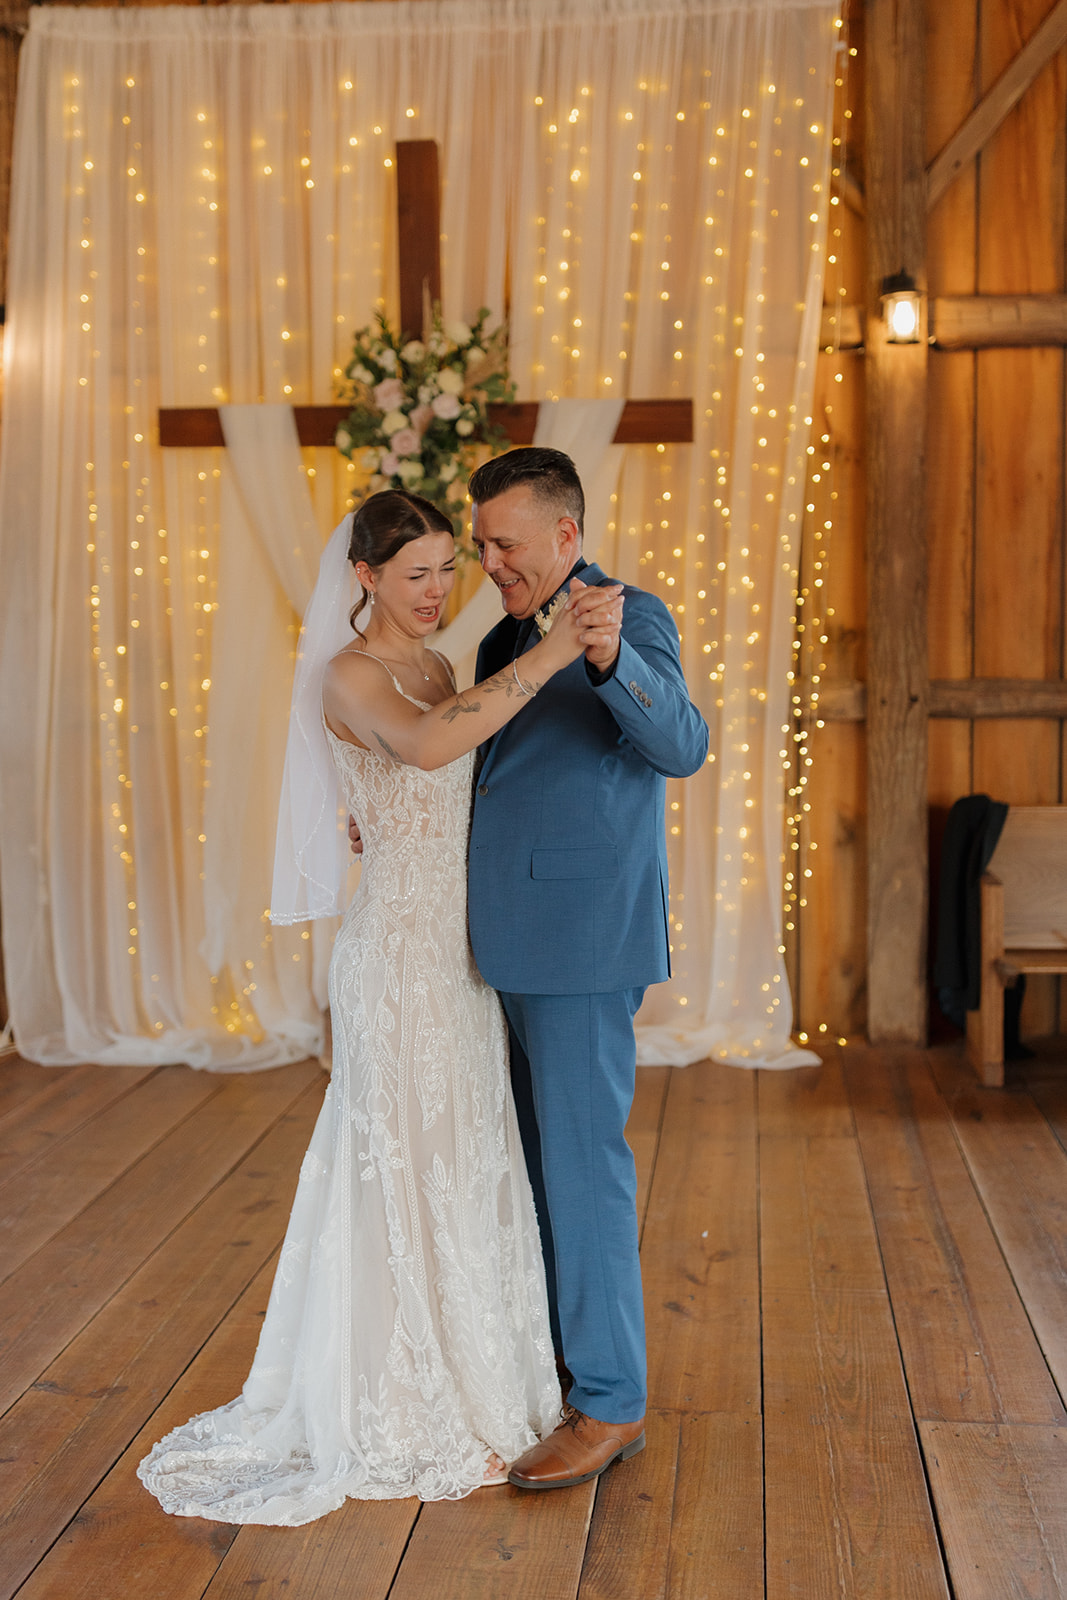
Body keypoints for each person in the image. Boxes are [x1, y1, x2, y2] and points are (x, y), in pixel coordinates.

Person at [138, 489, 624, 1524]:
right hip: (395, 960)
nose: (437, 590)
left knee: (468, 1158)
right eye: (416, 574)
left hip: (462, 956)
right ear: (363, 577)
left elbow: (452, 782)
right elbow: (422, 751)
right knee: (402, 1166)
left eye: (449, 569)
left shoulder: (439, 664)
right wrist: (540, 657)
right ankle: (397, 1391)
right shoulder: (349, 672)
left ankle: (488, 1376)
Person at [465, 447, 709, 1489]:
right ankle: (559, 1367)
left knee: (580, 1170)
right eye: (480, 545)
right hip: (499, 943)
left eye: (505, 545)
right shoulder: (497, 638)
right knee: (522, 1170)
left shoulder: (626, 616)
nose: (490, 563)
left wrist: (612, 664)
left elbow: (682, 744)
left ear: (566, 537)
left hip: (575, 943)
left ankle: (609, 1402)